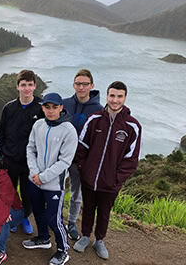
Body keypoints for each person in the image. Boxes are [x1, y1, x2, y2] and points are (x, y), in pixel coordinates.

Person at [73, 81, 142, 260]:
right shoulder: (94, 119)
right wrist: (84, 170)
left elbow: (131, 159)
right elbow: (81, 147)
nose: (115, 100)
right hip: (89, 179)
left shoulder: (132, 126)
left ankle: (100, 240)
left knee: (104, 212)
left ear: (125, 98)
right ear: (107, 96)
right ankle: (85, 236)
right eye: (112, 95)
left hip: (110, 183)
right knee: (87, 208)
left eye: (119, 96)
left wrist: (115, 179)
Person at [22, 93, 78, 265]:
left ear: (61, 108)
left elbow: (65, 161)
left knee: (54, 219)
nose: (51, 111)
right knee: (38, 211)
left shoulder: (69, 130)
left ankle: (63, 250)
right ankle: (44, 239)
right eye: (47, 107)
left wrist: (43, 177)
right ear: (43, 108)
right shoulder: (38, 125)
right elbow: (30, 149)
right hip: (35, 180)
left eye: (55, 107)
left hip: (54, 184)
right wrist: (34, 173)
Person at [0, 69, 45, 234]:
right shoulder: (9, 108)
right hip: (10, 159)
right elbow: (1, 133)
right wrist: (4, 153)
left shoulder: (41, 108)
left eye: (30, 85)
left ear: (34, 86)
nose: (26, 88)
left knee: (28, 194)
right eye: (23, 85)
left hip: (30, 162)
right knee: (8, 192)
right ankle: (11, 217)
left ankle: (24, 218)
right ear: (17, 86)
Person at [62, 69, 103, 241]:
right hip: (62, 157)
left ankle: (71, 222)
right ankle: (56, 220)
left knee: (77, 194)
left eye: (85, 84)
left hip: (81, 161)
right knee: (57, 190)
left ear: (91, 86)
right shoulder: (64, 104)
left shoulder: (99, 111)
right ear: (73, 85)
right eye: (78, 84)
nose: (81, 87)